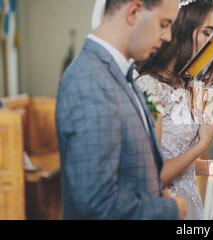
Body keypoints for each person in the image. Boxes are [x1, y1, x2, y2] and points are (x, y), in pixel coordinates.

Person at [56, 0, 185, 220]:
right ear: (134, 12)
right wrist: (169, 210)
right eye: (164, 23)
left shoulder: (118, 71)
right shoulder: (90, 81)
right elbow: (95, 203)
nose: (168, 37)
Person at [136, 0, 213, 220]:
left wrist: (210, 167)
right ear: (182, 31)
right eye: (207, 33)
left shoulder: (182, 86)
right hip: (164, 207)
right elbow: (152, 177)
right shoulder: (149, 88)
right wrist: (203, 145)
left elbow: (173, 158)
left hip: (187, 203)